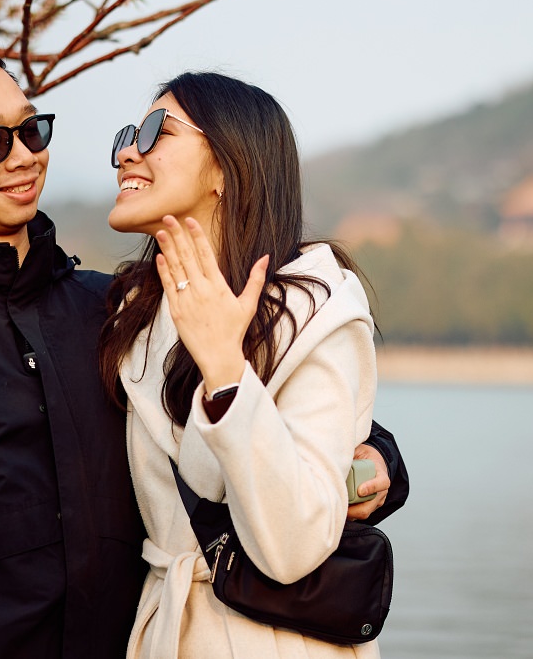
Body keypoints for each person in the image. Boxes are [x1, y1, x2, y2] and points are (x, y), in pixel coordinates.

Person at [0, 45, 405, 659]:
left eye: (32, 132)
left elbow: (294, 412)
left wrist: (381, 462)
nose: (23, 157)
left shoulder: (109, 311)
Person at [99, 71, 398, 658]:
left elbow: (294, 546)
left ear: (227, 168)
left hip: (270, 640)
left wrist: (224, 370)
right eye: (129, 132)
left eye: (159, 129)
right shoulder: (129, 312)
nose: (129, 150)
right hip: (165, 627)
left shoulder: (312, 311)